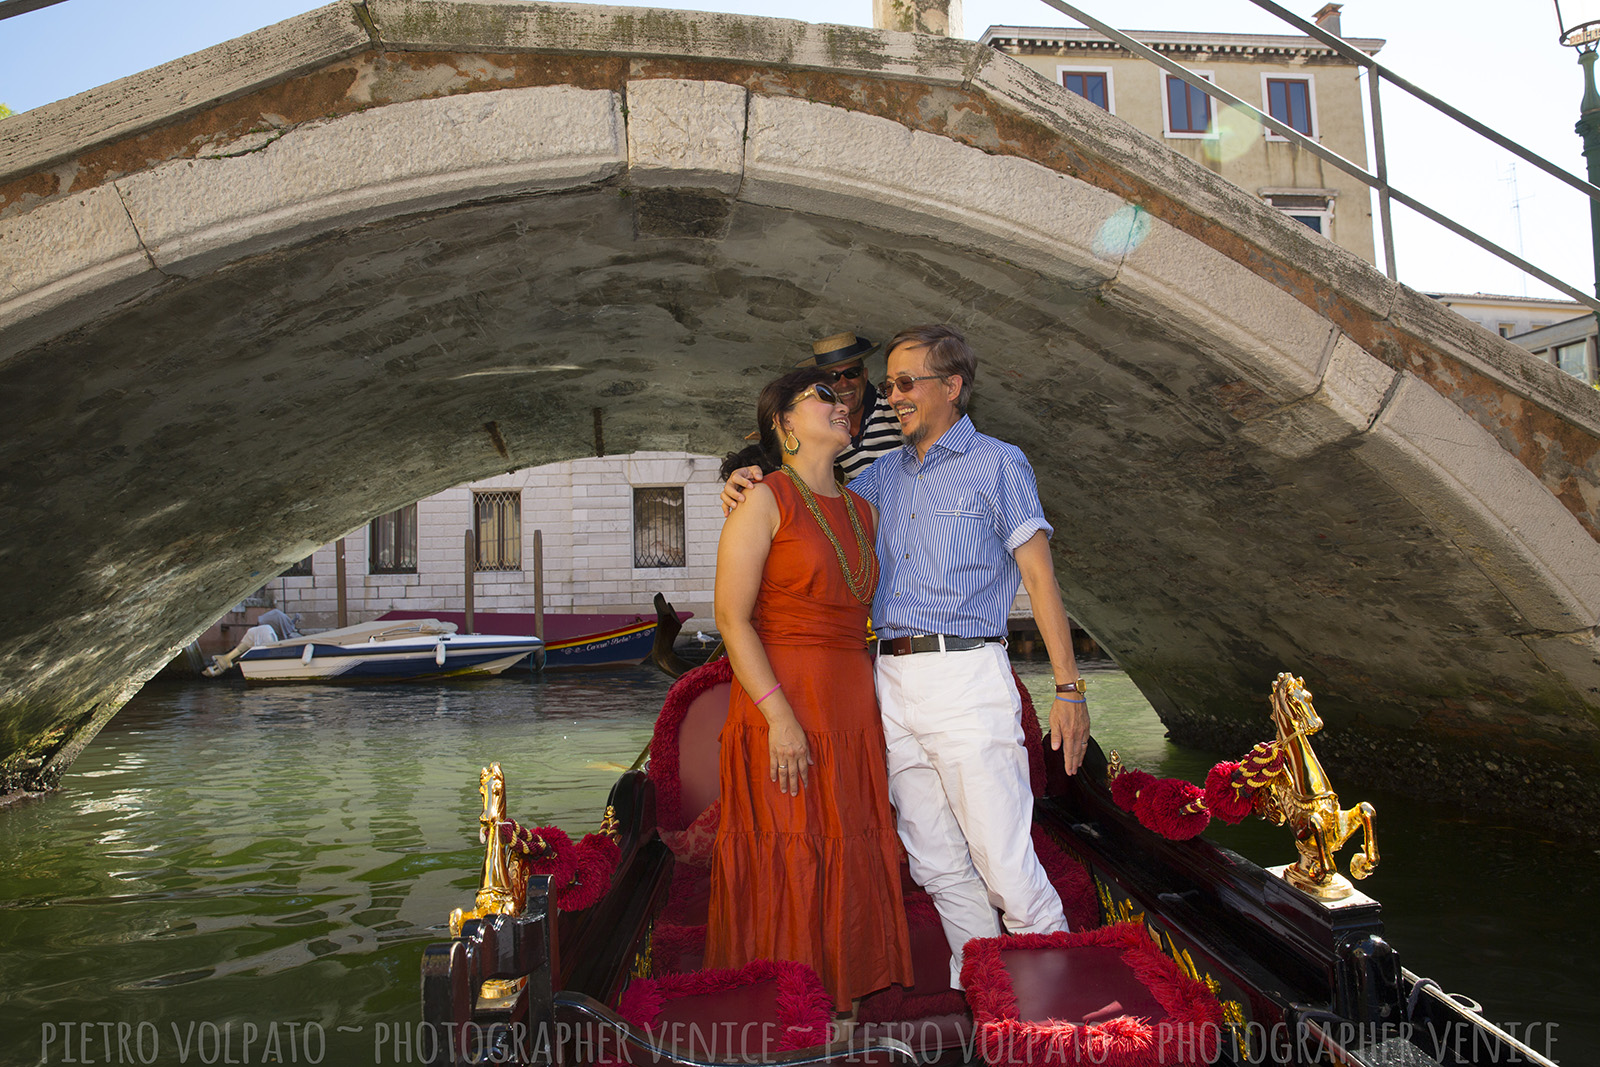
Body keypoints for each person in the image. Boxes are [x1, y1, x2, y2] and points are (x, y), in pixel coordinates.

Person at [722, 325, 1091, 988]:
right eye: (887, 384)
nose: (888, 395)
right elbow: (807, 508)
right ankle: (990, 991)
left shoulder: (999, 463)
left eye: (905, 382)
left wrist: (1069, 688)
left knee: (1002, 861)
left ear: (952, 387)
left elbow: (1040, 579)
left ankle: (1053, 1019)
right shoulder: (877, 481)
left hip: (967, 672)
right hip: (888, 682)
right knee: (936, 860)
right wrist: (744, 477)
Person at [705, 366, 913, 1014]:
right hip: (783, 705)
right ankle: (786, 1010)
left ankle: (843, 1004)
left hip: (852, 706)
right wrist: (780, 720)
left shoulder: (864, 508)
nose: (840, 402)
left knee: (847, 851)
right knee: (791, 852)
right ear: (783, 423)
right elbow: (731, 618)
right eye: (821, 396)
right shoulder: (764, 498)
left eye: (842, 395)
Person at [798, 332, 903, 480]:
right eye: (833, 376)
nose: (844, 383)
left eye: (852, 373)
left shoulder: (894, 408)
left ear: (864, 375)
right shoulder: (825, 427)